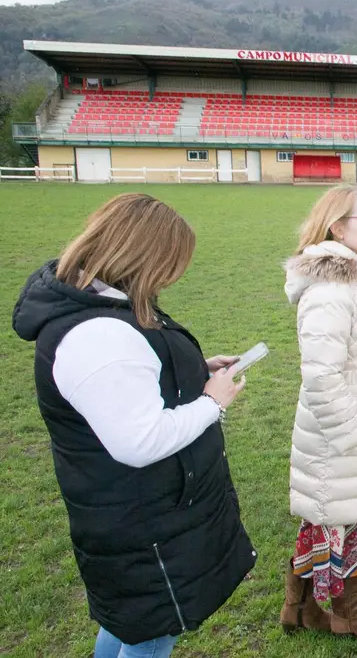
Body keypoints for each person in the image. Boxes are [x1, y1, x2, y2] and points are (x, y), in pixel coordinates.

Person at [11, 193, 255, 658]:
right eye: (170, 262)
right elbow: (140, 441)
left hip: (138, 511)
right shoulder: (97, 333)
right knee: (152, 632)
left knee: (134, 626)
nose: (173, 275)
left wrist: (194, 370)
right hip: (142, 521)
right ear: (140, 255)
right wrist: (211, 402)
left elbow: (126, 383)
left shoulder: (103, 307)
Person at [282, 185, 357, 643]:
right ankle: (347, 616)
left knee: (330, 517)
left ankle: (299, 606)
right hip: (344, 430)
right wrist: (355, 430)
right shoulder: (331, 288)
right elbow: (320, 375)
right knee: (341, 519)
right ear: (337, 226)